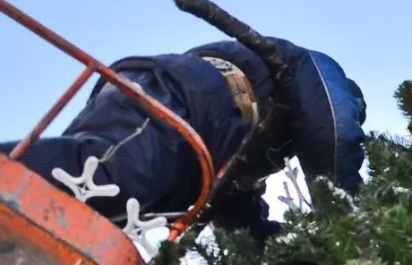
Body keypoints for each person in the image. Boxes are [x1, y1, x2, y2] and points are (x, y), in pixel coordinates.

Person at [2, 37, 366, 243]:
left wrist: (278, 248)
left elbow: (235, 208)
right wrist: (348, 229)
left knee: (76, 226)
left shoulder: (258, 148)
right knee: (109, 179)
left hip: (192, 150)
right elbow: (334, 132)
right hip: (182, 97)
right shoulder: (314, 72)